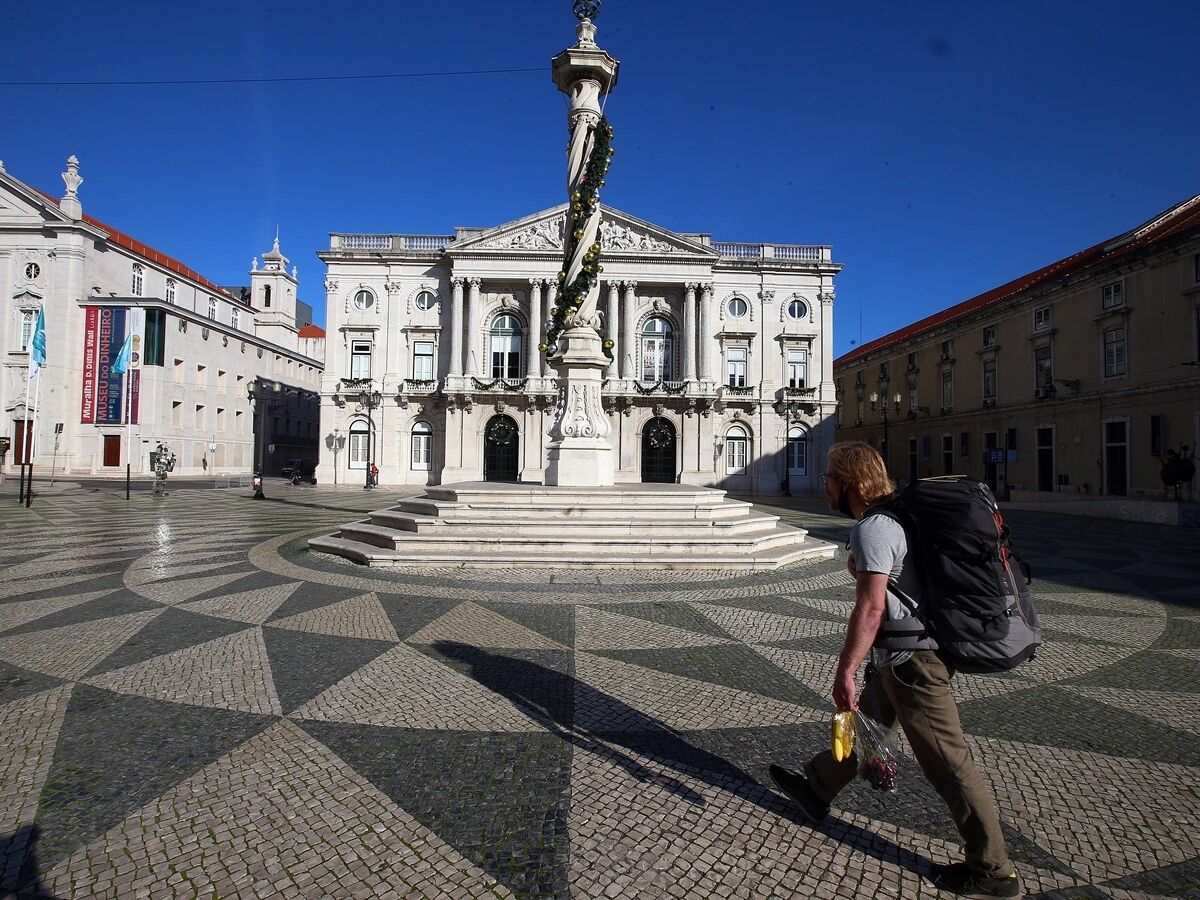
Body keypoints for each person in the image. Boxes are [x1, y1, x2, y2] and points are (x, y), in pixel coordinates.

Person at [769, 441, 1019, 898]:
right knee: (866, 723)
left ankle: (992, 868)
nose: (825, 485)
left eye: (829, 477)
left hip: (914, 664)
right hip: (905, 656)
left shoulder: (875, 528)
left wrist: (845, 670)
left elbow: (870, 609)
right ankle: (817, 787)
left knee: (947, 760)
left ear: (849, 482)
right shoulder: (896, 518)